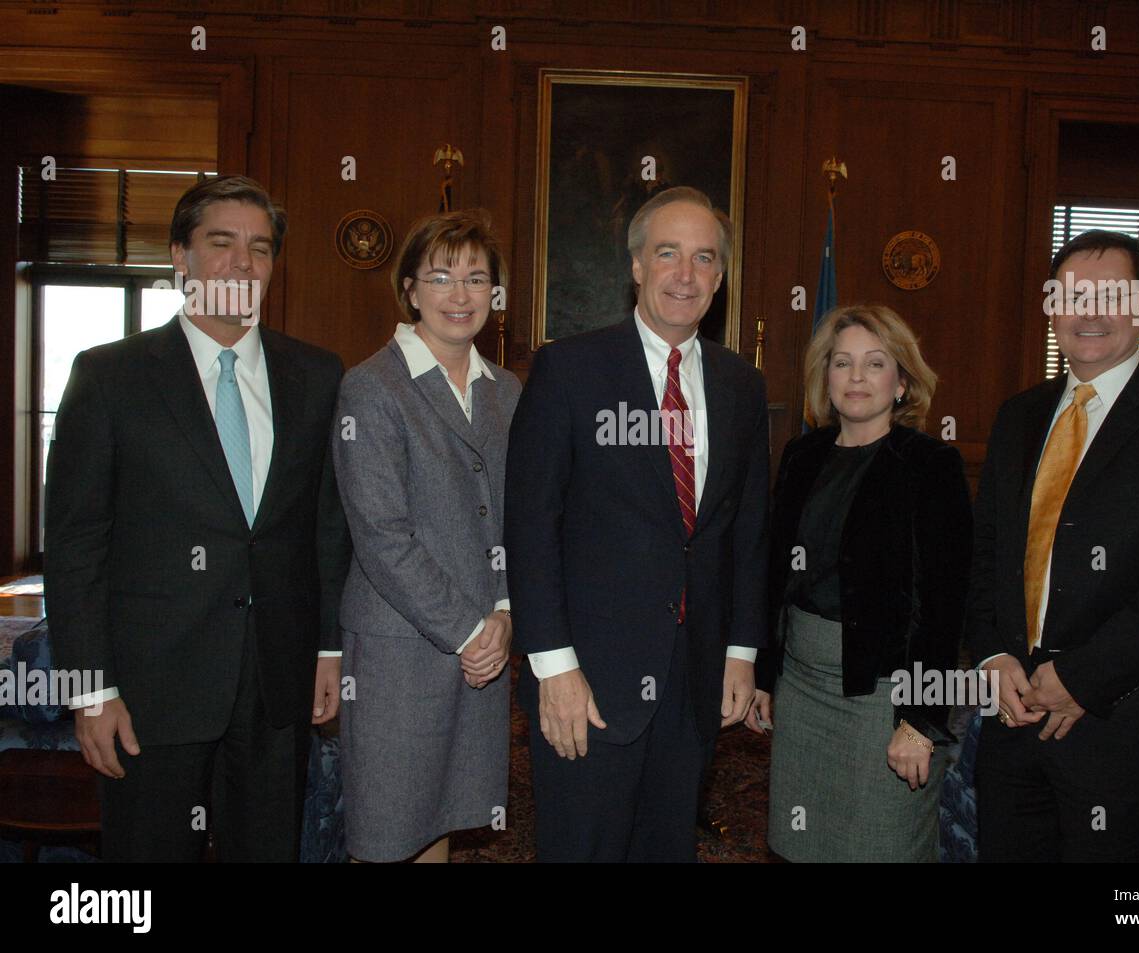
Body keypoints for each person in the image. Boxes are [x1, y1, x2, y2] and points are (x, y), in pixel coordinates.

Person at [45, 174, 351, 861]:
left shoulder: (317, 375)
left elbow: (327, 527)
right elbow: (73, 546)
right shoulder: (109, 376)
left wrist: (329, 648)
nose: (243, 262)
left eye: (260, 248)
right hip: (152, 689)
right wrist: (89, 690)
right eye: (222, 243)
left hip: (276, 681)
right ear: (179, 257)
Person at [505, 186, 769, 862]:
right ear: (636, 266)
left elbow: (747, 530)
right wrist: (553, 667)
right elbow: (531, 525)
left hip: (695, 682)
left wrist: (741, 651)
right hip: (587, 682)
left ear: (721, 275)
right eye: (668, 254)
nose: (686, 274)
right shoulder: (570, 369)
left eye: (704, 257)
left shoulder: (741, 384)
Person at [968, 229, 1139, 862]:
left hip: (1119, 736)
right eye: (1072, 295)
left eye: (1109, 295)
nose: (1088, 312)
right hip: (1010, 721)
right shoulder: (1018, 417)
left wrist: (1080, 679)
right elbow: (986, 555)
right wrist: (991, 656)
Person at [747, 304, 972, 862]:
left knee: (882, 846)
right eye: (842, 362)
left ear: (901, 381)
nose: (856, 377)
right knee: (801, 845)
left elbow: (943, 607)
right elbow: (774, 578)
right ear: (825, 376)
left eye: (875, 364)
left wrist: (920, 720)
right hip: (800, 688)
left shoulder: (929, 465)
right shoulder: (803, 454)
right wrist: (763, 675)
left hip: (884, 697)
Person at [332, 210, 519, 863]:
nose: (460, 294)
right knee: (389, 832)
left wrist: (503, 610)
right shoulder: (372, 387)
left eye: (476, 277)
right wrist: (472, 631)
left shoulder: (508, 392)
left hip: (484, 647)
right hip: (401, 649)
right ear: (410, 288)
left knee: (440, 818)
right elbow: (382, 535)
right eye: (441, 276)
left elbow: (514, 519)